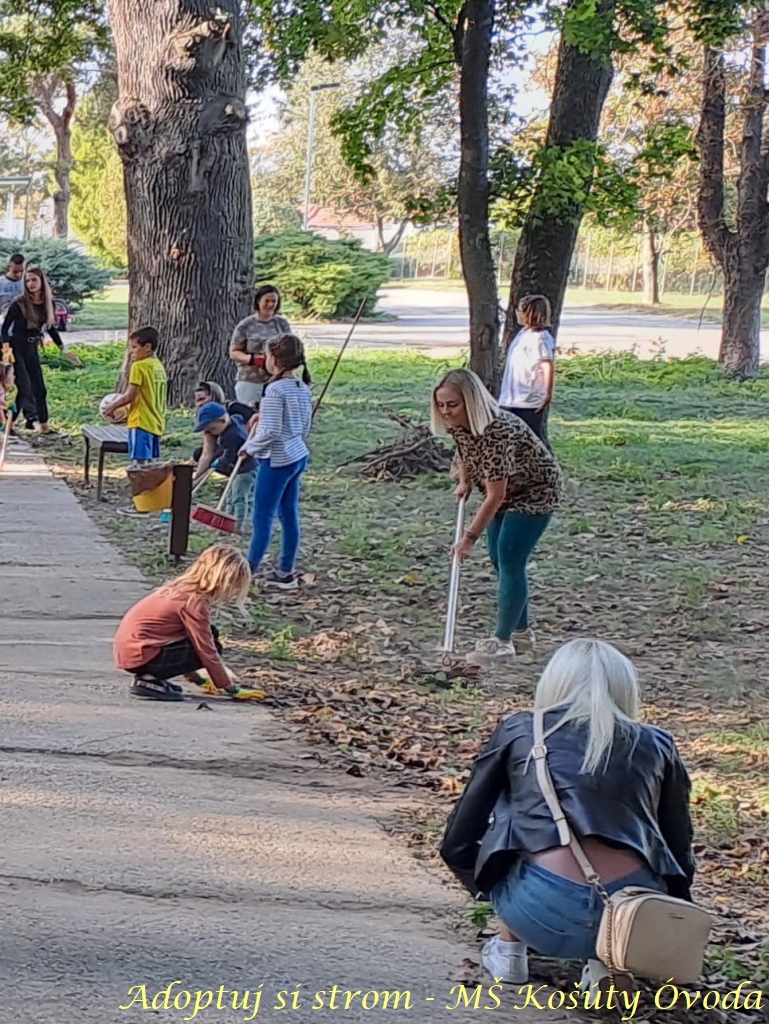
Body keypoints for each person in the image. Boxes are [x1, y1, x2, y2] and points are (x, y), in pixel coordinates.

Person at [440, 638, 695, 991]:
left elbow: (458, 839)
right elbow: (678, 847)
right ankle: (604, 961)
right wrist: (676, 912)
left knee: (522, 811)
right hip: (632, 914)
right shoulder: (658, 743)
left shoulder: (520, 730)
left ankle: (509, 951)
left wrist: (487, 888)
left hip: (537, 909)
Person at [431, 368, 562, 662]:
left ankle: (502, 641)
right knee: (498, 558)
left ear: (470, 401)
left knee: (510, 555)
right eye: (441, 405)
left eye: (453, 405)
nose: (446, 411)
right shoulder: (460, 425)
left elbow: (495, 495)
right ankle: (522, 633)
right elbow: (464, 451)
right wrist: (464, 480)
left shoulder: (495, 431)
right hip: (507, 490)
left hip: (535, 491)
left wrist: (468, 538)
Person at [113, 544, 251, 702]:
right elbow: (205, 649)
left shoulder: (181, 589)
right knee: (212, 643)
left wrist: (198, 679)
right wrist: (230, 688)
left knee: (209, 633)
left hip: (134, 653)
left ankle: (151, 677)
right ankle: (147, 679)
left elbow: (185, 640)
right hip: (142, 655)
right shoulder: (193, 602)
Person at [242, 333, 312, 590]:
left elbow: (270, 431)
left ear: (276, 360)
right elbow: (303, 427)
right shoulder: (301, 388)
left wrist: (249, 447)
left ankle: (248, 571)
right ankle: (286, 571)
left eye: (267, 355)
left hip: (277, 460)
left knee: (262, 517)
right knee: (289, 514)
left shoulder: (273, 390)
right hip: (297, 455)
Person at [1, 266, 70, 434]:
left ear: (42, 282)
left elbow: (51, 328)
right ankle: (7, 425)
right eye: (28, 280)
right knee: (24, 388)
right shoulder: (20, 303)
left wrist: (63, 349)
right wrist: (6, 351)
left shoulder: (49, 303)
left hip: (32, 348)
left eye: (34, 280)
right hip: (15, 348)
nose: (30, 283)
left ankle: (44, 426)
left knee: (39, 388)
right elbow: (4, 329)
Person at [102, 327, 167, 464]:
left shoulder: (139, 366)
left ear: (147, 347)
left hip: (141, 421)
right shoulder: (158, 366)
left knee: (139, 463)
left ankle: (140, 485)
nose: (131, 351)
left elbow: (130, 395)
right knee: (150, 463)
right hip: (156, 421)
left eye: (134, 347)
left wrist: (112, 407)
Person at [499, 294, 556, 446]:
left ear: (527, 312)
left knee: (530, 440)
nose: (516, 312)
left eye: (519, 309)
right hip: (511, 397)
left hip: (528, 400)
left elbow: (547, 366)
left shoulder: (540, 338)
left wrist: (547, 394)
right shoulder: (523, 333)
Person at [193, 402, 257, 533]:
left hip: (245, 469)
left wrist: (218, 462)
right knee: (229, 495)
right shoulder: (233, 420)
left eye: (212, 429)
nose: (211, 433)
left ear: (222, 420)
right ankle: (226, 522)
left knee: (239, 497)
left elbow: (230, 456)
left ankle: (238, 525)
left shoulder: (231, 436)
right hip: (237, 468)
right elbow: (239, 417)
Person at [230, 284, 292, 406]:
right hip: (251, 381)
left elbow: (290, 348)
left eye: (274, 301)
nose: (270, 304)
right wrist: (252, 359)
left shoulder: (282, 324)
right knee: (249, 418)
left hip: (277, 380)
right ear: (258, 301)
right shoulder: (245, 325)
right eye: (267, 301)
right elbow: (234, 352)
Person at [0, 254, 24, 320]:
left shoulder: (27, 283)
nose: (19, 275)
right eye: (15, 272)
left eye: (21, 271)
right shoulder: (1, 282)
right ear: (9, 267)